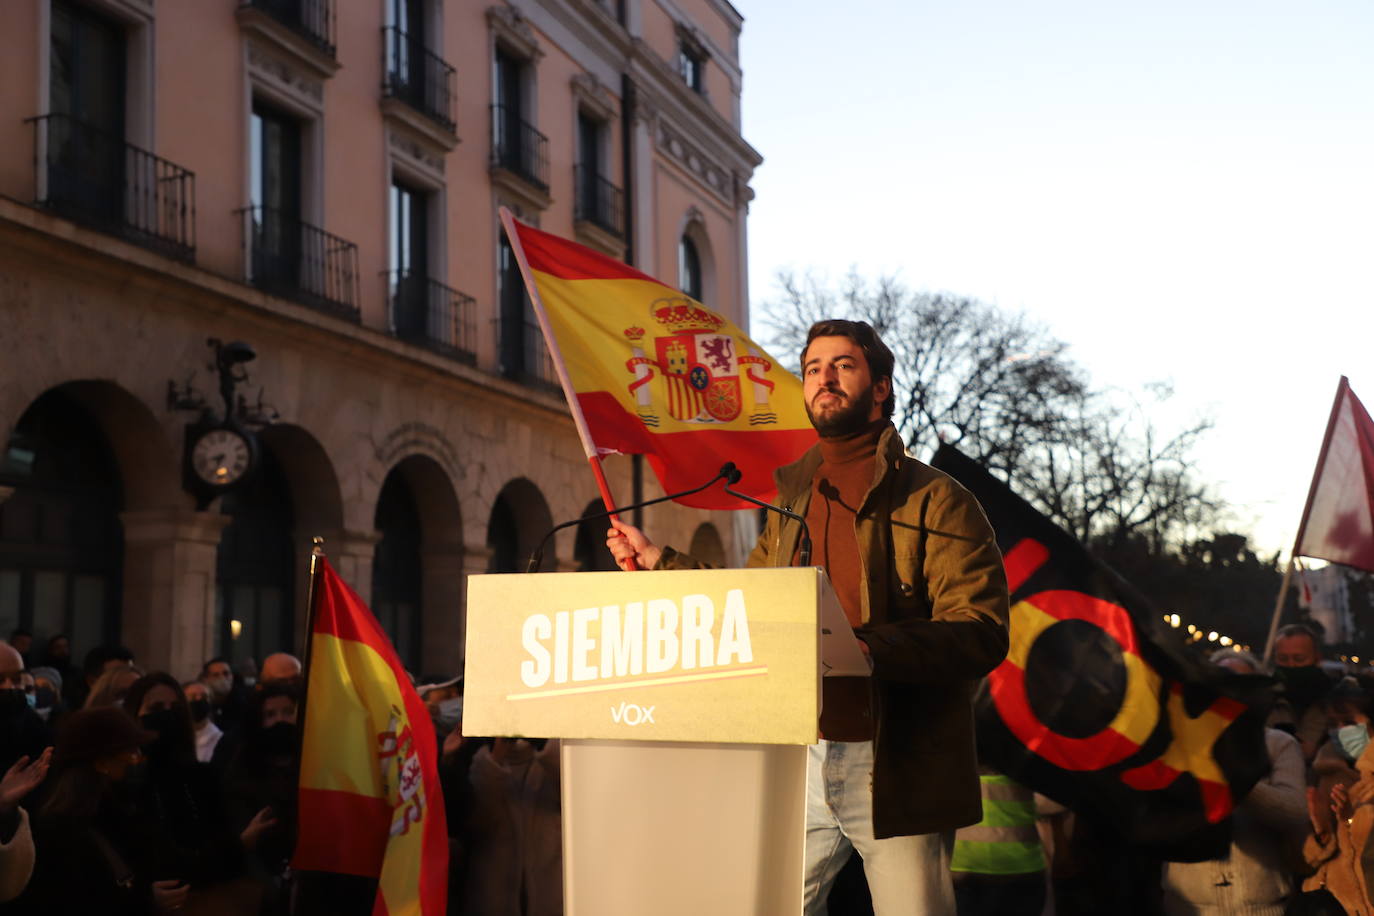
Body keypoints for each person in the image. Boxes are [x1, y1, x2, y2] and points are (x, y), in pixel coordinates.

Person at [606, 319, 1011, 915]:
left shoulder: (938, 499)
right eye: (814, 367)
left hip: (893, 759)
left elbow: (980, 631)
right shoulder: (791, 498)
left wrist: (871, 649)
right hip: (800, 750)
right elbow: (749, 607)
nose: (825, 377)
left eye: (843, 365)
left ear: (879, 387)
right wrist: (658, 561)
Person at [1159, 652, 1308, 915]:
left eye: (1240, 683)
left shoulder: (1278, 744)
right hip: (1189, 904)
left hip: (1262, 904)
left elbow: (1294, 812)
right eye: (1220, 681)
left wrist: (1236, 778)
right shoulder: (1176, 744)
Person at [1270, 624, 1333, 762]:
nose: (1291, 665)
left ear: (1317, 658)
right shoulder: (1264, 699)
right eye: (1283, 659)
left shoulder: (1336, 700)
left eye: (1299, 659)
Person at [183, 680, 224, 764]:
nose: (199, 700)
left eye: (204, 697)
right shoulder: (174, 737)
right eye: (193, 697)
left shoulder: (220, 739)